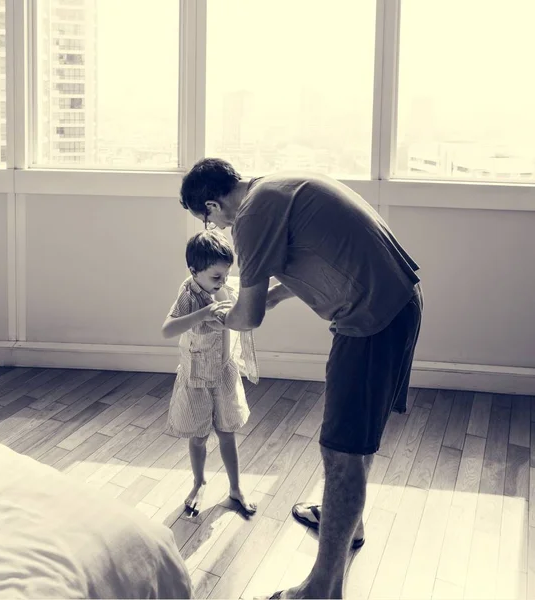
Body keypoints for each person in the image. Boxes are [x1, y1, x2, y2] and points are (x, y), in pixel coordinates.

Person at [179, 158, 423, 599]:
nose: (211, 227)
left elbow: (246, 317)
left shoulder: (250, 217)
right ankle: (349, 522)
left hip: (370, 319)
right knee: (357, 437)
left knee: (341, 451)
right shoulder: (277, 186)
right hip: (398, 300)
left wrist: (219, 319)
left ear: (212, 205)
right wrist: (273, 296)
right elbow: (317, 253)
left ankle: (321, 589)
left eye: (205, 217)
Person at [161, 230, 258, 516]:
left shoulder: (225, 288)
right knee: (200, 436)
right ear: (194, 271)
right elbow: (167, 329)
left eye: (226, 275)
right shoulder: (189, 295)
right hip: (197, 377)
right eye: (216, 277)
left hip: (224, 373)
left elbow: (251, 295)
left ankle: (236, 487)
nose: (223, 281)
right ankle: (199, 482)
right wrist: (203, 314)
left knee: (227, 433)